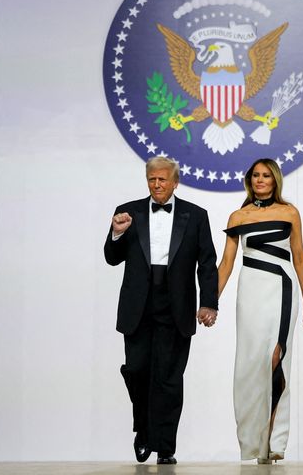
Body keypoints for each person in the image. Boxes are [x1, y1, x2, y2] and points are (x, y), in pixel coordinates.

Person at [104, 156, 218, 465]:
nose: (156, 184)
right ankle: (143, 430)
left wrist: (209, 302)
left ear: (175, 182)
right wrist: (116, 233)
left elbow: (207, 263)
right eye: (152, 179)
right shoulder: (128, 212)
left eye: (162, 179)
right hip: (138, 305)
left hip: (176, 305)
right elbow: (111, 258)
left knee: (169, 378)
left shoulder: (196, 216)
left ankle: (165, 446)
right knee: (138, 372)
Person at [217, 158, 303, 464]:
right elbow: (227, 263)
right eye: (256, 175)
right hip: (250, 293)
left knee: (277, 358)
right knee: (249, 366)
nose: (261, 180)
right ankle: (255, 442)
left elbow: (299, 257)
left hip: (283, 289)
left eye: (266, 176)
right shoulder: (238, 216)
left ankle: (275, 440)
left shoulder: (289, 212)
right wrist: (210, 300)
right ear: (250, 180)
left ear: (275, 180)